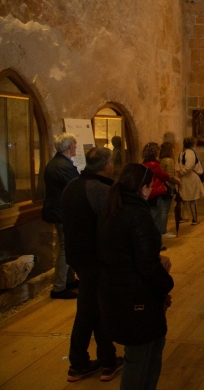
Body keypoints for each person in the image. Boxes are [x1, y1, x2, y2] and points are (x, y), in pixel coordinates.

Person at [97, 164, 174, 390]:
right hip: (136, 297)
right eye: (150, 186)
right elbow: (146, 264)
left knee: (145, 350)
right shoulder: (138, 215)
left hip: (114, 291)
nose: (151, 191)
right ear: (143, 188)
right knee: (140, 358)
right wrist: (166, 283)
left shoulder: (111, 209)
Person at [62, 147, 123, 382]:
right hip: (95, 259)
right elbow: (111, 228)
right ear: (106, 166)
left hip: (79, 257)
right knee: (93, 310)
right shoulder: (100, 190)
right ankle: (85, 363)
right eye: (112, 163)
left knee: (93, 308)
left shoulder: (72, 186)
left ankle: (104, 359)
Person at [43, 132, 80, 299]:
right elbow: (75, 187)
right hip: (62, 212)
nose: (77, 147)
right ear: (69, 147)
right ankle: (58, 287)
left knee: (69, 246)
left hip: (60, 210)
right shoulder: (62, 165)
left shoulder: (58, 163)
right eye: (75, 144)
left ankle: (69, 280)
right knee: (66, 248)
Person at [142, 142, 179, 239]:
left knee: (151, 215)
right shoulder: (155, 165)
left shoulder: (144, 164)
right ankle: (158, 236)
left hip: (147, 192)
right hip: (156, 191)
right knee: (158, 215)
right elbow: (166, 176)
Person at [176, 137, 204, 225]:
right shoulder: (190, 152)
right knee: (193, 198)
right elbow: (189, 165)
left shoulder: (182, 153)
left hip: (184, 177)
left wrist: (179, 172)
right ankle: (194, 219)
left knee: (183, 198)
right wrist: (182, 172)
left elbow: (178, 165)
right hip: (190, 177)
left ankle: (182, 217)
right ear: (192, 144)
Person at [159, 141, 180, 237]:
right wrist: (178, 181)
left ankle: (161, 229)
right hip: (168, 188)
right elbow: (170, 176)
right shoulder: (169, 161)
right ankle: (163, 231)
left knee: (162, 210)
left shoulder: (161, 160)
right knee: (165, 210)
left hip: (161, 187)